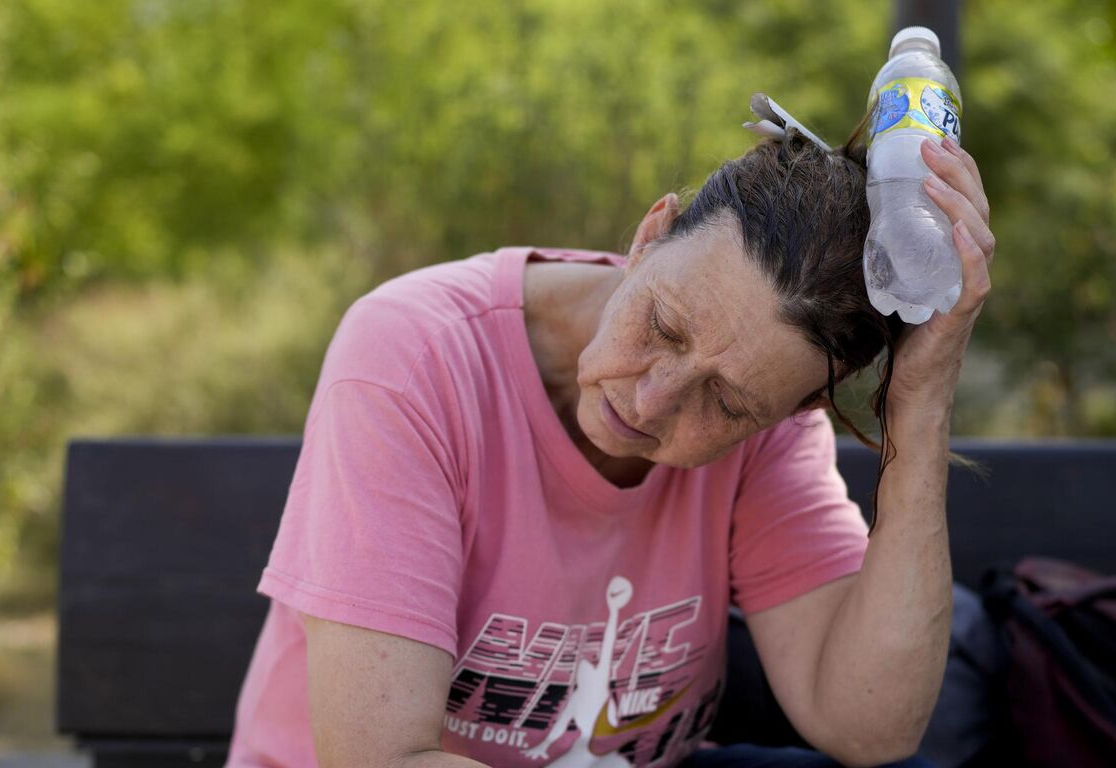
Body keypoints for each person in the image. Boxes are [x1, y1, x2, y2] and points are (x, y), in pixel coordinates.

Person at [225, 117, 997, 768]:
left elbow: (867, 723)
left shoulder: (774, 428)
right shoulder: (415, 354)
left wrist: (921, 407)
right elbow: (381, 758)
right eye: (661, 326)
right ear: (649, 234)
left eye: (724, 403)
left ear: (786, 412)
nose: (652, 396)